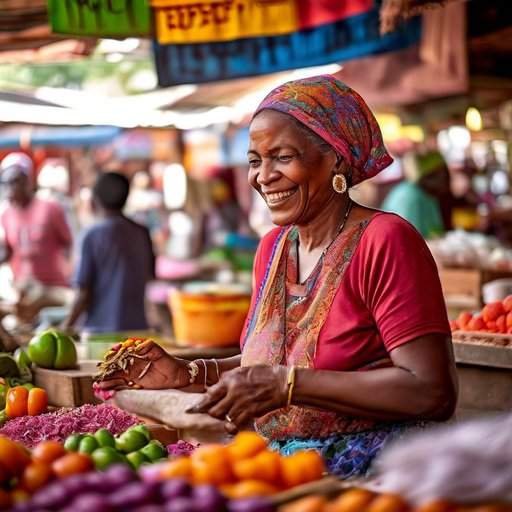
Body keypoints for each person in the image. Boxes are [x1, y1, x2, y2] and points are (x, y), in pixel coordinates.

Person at [97, 76, 457, 477]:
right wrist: (189, 372)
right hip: (278, 470)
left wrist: (289, 385)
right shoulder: (273, 248)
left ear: (336, 159)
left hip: (374, 477)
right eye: (255, 160)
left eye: (282, 157)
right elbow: (267, 368)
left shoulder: (385, 241)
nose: (263, 176)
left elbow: (432, 391)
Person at [62, 172, 155, 333]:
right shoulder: (142, 232)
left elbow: (83, 293)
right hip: (138, 332)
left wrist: (64, 327)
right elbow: (150, 275)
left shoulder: (91, 235)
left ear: (93, 201)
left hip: (100, 333)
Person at [0, 153, 73, 322]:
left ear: (28, 181)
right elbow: (8, 251)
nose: (10, 187)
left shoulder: (50, 208)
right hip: (24, 292)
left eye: (15, 181)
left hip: (53, 289)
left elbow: (68, 243)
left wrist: (69, 271)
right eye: (6, 183)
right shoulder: (6, 214)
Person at [382, 150, 451, 238]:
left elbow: (436, 232)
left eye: (446, 176)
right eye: (440, 175)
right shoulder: (409, 195)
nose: (444, 181)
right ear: (428, 176)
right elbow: (406, 238)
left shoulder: (429, 196)